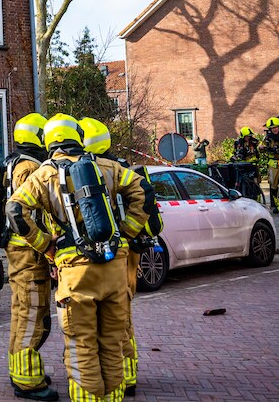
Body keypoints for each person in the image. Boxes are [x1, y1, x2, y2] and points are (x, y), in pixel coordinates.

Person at [8, 114, 149, 402]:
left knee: (82, 343)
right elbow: (144, 191)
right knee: (112, 342)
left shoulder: (43, 175)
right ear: (78, 138)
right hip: (113, 266)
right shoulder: (106, 166)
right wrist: (126, 232)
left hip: (75, 272)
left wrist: (45, 246)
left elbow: (15, 211)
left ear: (48, 141)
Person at [79, 117, 159, 398]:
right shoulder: (120, 166)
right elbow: (144, 197)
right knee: (122, 314)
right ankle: (127, 373)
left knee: (115, 317)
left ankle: (121, 376)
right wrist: (129, 232)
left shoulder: (96, 170)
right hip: (128, 250)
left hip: (116, 252)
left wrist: (125, 231)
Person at [4, 113, 57, 401]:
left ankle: (21, 370)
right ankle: (28, 382)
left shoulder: (14, 162)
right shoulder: (29, 167)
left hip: (19, 251)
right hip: (29, 252)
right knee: (33, 314)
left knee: (21, 312)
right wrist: (47, 245)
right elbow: (29, 213)